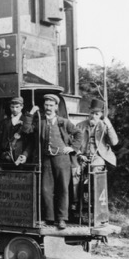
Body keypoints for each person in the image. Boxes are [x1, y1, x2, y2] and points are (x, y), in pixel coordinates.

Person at [22, 94, 82, 229]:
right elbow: (26, 130)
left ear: (56, 107)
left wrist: (72, 148)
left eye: (51, 105)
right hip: (46, 159)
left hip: (62, 159)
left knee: (63, 189)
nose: (48, 108)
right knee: (46, 189)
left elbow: (79, 134)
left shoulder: (63, 122)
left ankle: (62, 219)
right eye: (46, 105)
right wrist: (30, 114)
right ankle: (49, 218)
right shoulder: (40, 121)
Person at [71, 99, 119, 211]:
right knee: (74, 170)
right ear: (89, 113)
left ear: (101, 115)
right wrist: (79, 155)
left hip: (98, 156)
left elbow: (115, 142)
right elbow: (73, 143)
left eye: (96, 114)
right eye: (91, 113)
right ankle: (75, 202)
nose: (93, 116)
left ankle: (95, 203)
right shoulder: (80, 125)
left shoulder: (104, 126)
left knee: (95, 167)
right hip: (82, 156)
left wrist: (109, 126)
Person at [0, 96, 31, 167]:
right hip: (4, 159)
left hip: (20, 160)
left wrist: (25, 155)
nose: (14, 109)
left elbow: (31, 142)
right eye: (12, 107)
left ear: (22, 106)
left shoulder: (27, 121)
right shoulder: (4, 122)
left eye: (17, 107)